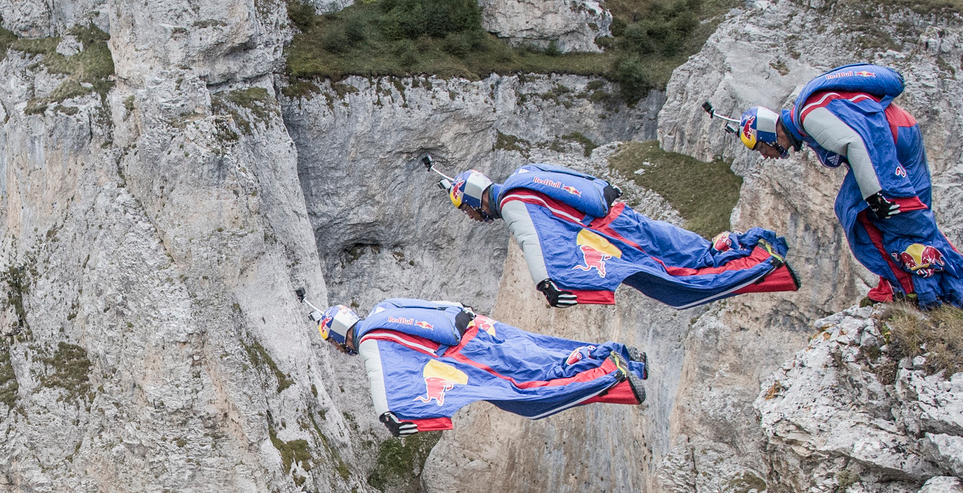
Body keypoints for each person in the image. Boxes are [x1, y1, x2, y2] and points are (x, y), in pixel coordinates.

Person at [733, 63, 963, 310]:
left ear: (769, 133)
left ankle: (919, 289)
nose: (765, 154)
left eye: (762, 147)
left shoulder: (808, 118)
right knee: (913, 223)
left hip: (889, 141)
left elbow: (854, 144)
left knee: (858, 218)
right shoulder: (807, 119)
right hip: (902, 132)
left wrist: (874, 195)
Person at [433, 159, 797, 308]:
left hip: (613, 234)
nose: (471, 218)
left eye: (466, 209)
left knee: (677, 283)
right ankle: (750, 251)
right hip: (621, 216)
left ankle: (764, 261)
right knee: (692, 255)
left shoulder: (512, 201)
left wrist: (547, 283)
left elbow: (532, 239)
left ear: (473, 201)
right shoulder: (525, 174)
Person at [313, 298, 646, 436]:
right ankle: (619, 355)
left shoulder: (369, 339)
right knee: (545, 354)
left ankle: (614, 375)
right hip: (482, 328)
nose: (339, 349)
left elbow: (378, 376)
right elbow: (445, 306)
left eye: (334, 343)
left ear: (340, 338)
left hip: (470, 354)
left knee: (530, 393)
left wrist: (389, 415)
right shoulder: (385, 308)